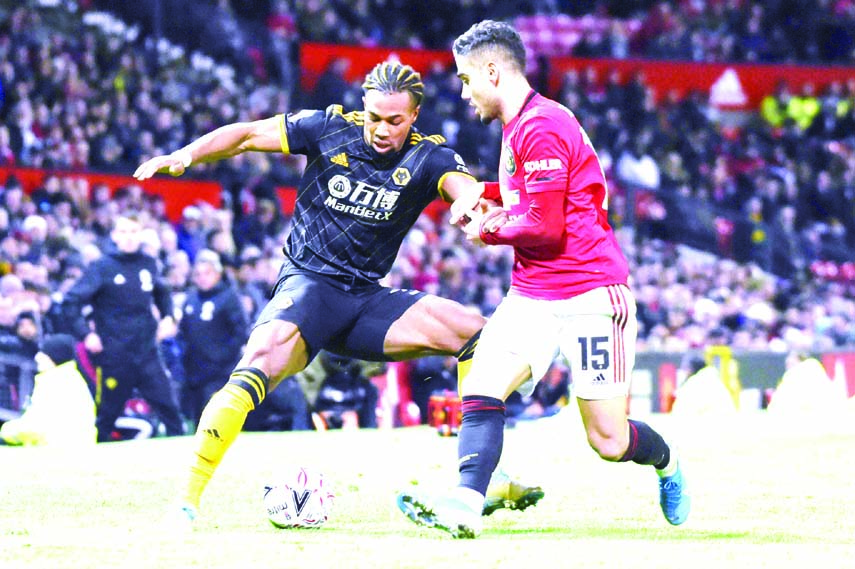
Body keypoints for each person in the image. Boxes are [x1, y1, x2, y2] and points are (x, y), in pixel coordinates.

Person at [133, 60, 544, 527]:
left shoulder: (428, 158)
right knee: (254, 367)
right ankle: (186, 501)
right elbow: (247, 134)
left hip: (366, 299)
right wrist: (186, 155)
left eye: (394, 120)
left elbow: (461, 186)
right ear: (362, 107)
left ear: (413, 118)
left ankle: (479, 477)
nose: (381, 129)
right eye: (373, 117)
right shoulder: (327, 128)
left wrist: (471, 203)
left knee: (477, 335)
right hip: (309, 287)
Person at [396, 20, 690, 539]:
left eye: (467, 80)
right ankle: (466, 502)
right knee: (483, 384)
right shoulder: (522, 125)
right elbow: (526, 193)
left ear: (492, 71)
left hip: (592, 295)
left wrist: (486, 227)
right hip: (533, 293)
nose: (464, 93)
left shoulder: (542, 125)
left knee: (608, 442)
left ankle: (666, 462)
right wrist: (482, 192)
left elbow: (546, 225)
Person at [63, 211, 186, 442]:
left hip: (148, 352)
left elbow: (162, 292)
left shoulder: (149, 263)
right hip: (114, 354)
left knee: (170, 410)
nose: (129, 237)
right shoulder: (102, 267)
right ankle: (99, 464)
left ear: (141, 235)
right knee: (106, 416)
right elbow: (70, 302)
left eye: (134, 232)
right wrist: (86, 334)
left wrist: (168, 316)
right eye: (124, 232)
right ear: (115, 236)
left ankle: (180, 461)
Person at [178, 249, 250, 428]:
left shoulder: (229, 297)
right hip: (194, 370)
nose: (202, 278)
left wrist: (221, 356)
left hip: (220, 371)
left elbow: (240, 332)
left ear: (218, 274)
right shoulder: (191, 299)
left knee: (217, 419)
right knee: (198, 418)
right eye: (198, 274)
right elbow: (183, 331)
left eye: (207, 273)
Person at [0, 333, 96, 446]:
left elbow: (35, 426)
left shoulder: (54, 383)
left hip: (55, 453)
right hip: (74, 451)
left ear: (55, 357)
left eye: (44, 353)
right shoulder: (72, 379)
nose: (37, 357)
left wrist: (5, 430)